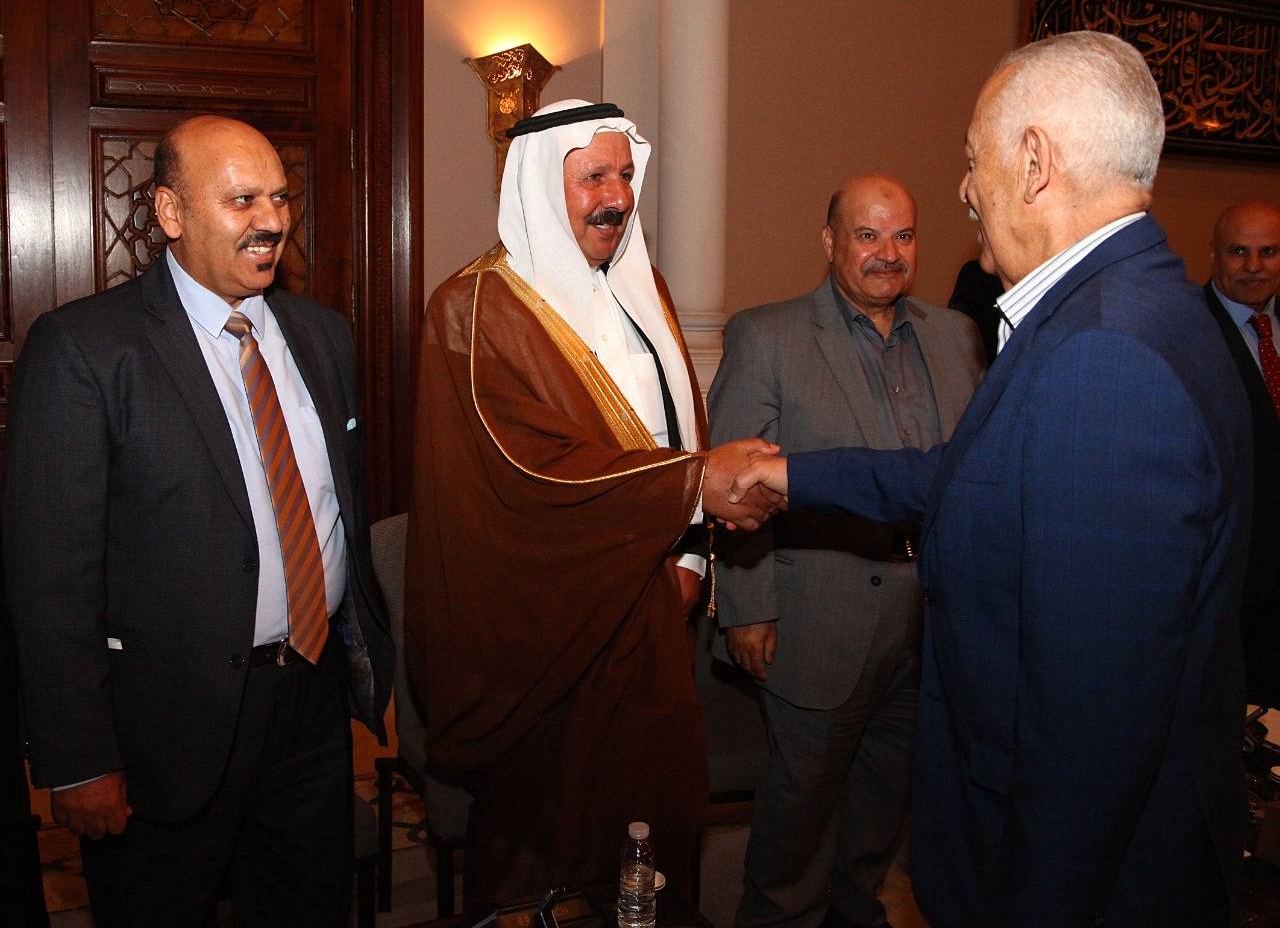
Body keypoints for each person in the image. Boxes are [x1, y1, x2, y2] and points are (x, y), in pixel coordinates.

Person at [728, 31, 1251, 928]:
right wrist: (787, 472)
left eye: (974, 161)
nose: (967, 190)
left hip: (1083, 878)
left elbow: (1089, 734)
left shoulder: (1103, 355)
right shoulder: (1139, 304)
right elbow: (967, 476)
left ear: (1035, 162)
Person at [3, 115, 393, 927]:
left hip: (310, 706)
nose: (272, 220)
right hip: (164, 729)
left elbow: (339, 511)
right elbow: (49, 575)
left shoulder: (323, 335)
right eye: (242, 200)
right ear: (171, 212)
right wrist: (79, 758)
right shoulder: (85, 349)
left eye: (280, 197)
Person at [406, 99, 777, 906]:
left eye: (625, 175)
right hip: (549, 633)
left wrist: (688, 557)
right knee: (553, 853)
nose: (616, 196)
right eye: (593, 177)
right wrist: (692, 486)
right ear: (544, 186)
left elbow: (680, 425)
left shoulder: (648, 291)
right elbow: (525, 477)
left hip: (656, 620)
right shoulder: (472, 310)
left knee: (654, 835)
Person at [709, 174, 983, 928]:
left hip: (927, 626)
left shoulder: (956, 337)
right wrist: (747, 607)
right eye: (867, 235)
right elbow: (734, 487)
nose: (888, 253)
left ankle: (854, 913)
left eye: (903, 235)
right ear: (830, 242)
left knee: (880, 809)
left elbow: (967, 476)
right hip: (817, 620)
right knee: (798, 821)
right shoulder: (768, 335)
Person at [1204, 200, 1280, 708]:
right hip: (1233, 581)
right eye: (1238, 252)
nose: (1254, 266)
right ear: (1213, 255)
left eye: (1268, 252)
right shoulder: (1186, 329)